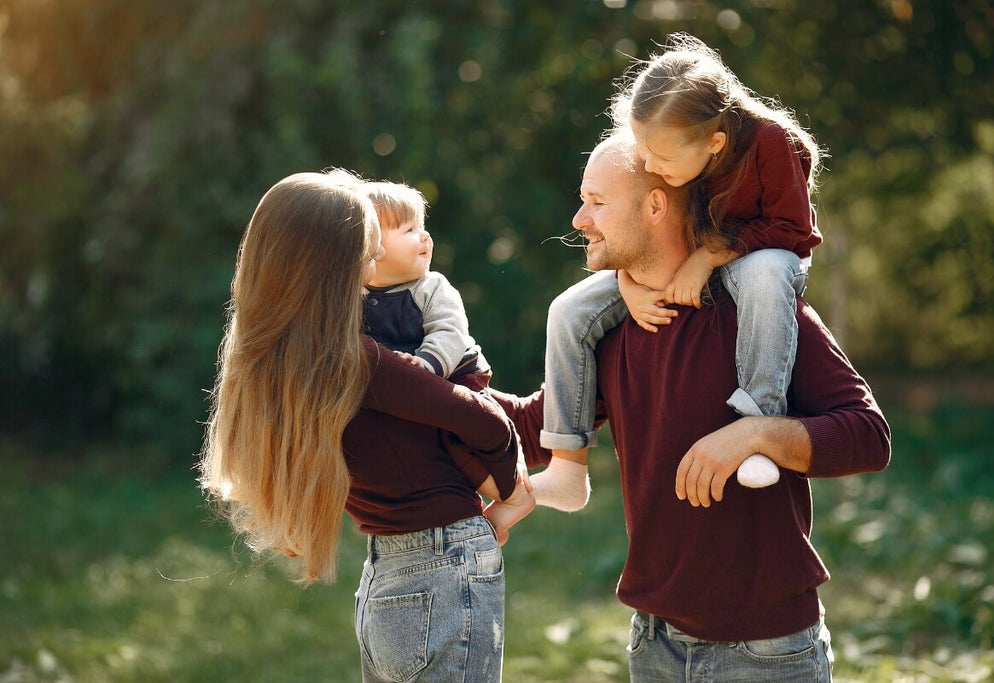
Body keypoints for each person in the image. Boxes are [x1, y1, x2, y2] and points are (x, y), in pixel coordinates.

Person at [493, 131, 890, 680]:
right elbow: (537, 425)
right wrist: (420, 380)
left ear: (655, 205)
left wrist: (753, 435)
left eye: (597, 202)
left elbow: (868, 437)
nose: (581, 219)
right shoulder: (611, 330)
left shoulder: (762, 315)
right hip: (653, 641)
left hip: (765, 650)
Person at [197, 170, 529, 682]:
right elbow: (484, 419)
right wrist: (510, 483)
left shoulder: (282, 366)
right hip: (441, 571)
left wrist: (596, 382)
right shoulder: (357, 360)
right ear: (336, 265)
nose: (376, 265)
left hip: (387, 582)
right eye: (369, 253)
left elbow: (500, 413)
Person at [536, 33, 825, 509]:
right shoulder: (673, 148)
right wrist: (627, 281)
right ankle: (566, 466)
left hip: (764, 255)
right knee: (568, 310)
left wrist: (708, 257)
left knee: (766, 272)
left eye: (659, 158)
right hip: (690, 257)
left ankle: (756, 421)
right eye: (644, 152)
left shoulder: (772, 143)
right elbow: (650, 235)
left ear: (714, 143)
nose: (649, 164)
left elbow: (794, 230)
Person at [359, 178, 535, 540]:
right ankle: (493, 498)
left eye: (422, 228)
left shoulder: (431, 286)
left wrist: (427, 364)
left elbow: (449, 332)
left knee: (460, 439)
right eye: (409, 230)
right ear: (370, 245)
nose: (425, 237)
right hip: (413, 389)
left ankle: (514, 495)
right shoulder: (355, 296)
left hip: (456, 373)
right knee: (432, 446)